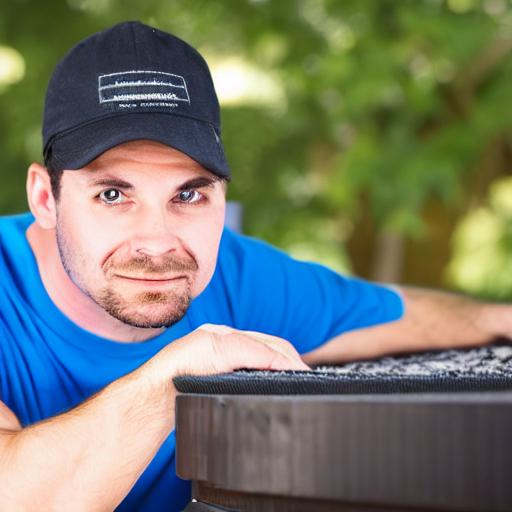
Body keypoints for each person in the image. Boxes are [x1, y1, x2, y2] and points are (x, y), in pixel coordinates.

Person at [0, 21, 509, 512]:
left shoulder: (240, 278)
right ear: (46, 197)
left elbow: (397, 316)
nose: (157, 243)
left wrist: (495, 320)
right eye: (113, 194)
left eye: (189, 194)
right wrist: (176, 376)